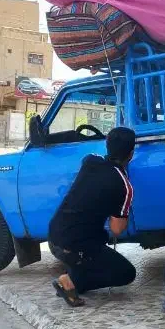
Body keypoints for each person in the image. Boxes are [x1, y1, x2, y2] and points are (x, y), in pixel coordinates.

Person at [49, 126, 136, 307]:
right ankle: (71, 283)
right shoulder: (124, 185)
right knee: (127, 273)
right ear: (131, 153)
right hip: (77, 246)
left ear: (107, 145)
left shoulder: (90, 161)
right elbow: (116, 229)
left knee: (93, 249)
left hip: (54, 236)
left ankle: (73, 277)